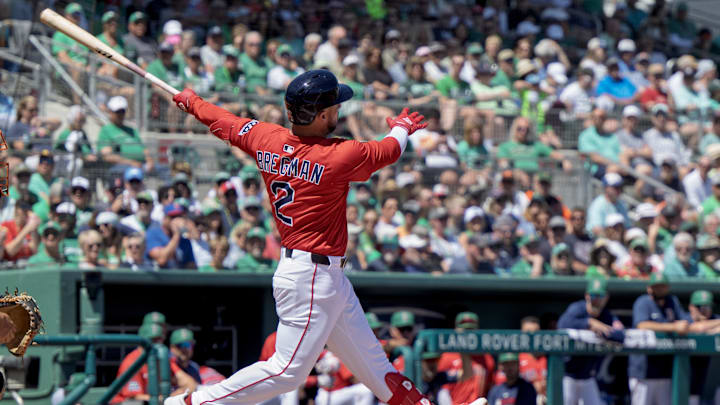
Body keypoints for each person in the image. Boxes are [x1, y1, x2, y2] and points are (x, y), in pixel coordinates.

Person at [166, 70, 430, 405]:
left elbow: (224, 121)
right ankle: (192, 404)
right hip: (311, 277)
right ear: (320, 115)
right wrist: (402, 126)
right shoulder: (338, 156)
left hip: (322, 275)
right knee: (287, 371)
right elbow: (390, 150)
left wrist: (192, 103)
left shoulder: (266, 138)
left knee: (378, 370)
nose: (338, 111)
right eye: (334, 107)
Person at [557, 278, 623, 405]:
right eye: (593, 295)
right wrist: (589, 323)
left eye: (600, 295)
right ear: (587, 295)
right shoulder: (577, 309)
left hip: (588, 378)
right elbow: (562, 324)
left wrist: (604, 331)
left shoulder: (606, 315)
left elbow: (620, 335)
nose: (596, 299)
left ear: (606, 297)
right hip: (568, 376)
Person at [629, 273, 691, 405]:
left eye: (662, 286)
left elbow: (685, 322)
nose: (660, 289)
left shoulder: (672, 301)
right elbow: (642, 325)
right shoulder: (643, 302)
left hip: (665, 371)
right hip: (643, 371)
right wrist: (673, 327)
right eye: (656, 286)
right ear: (649, 288)